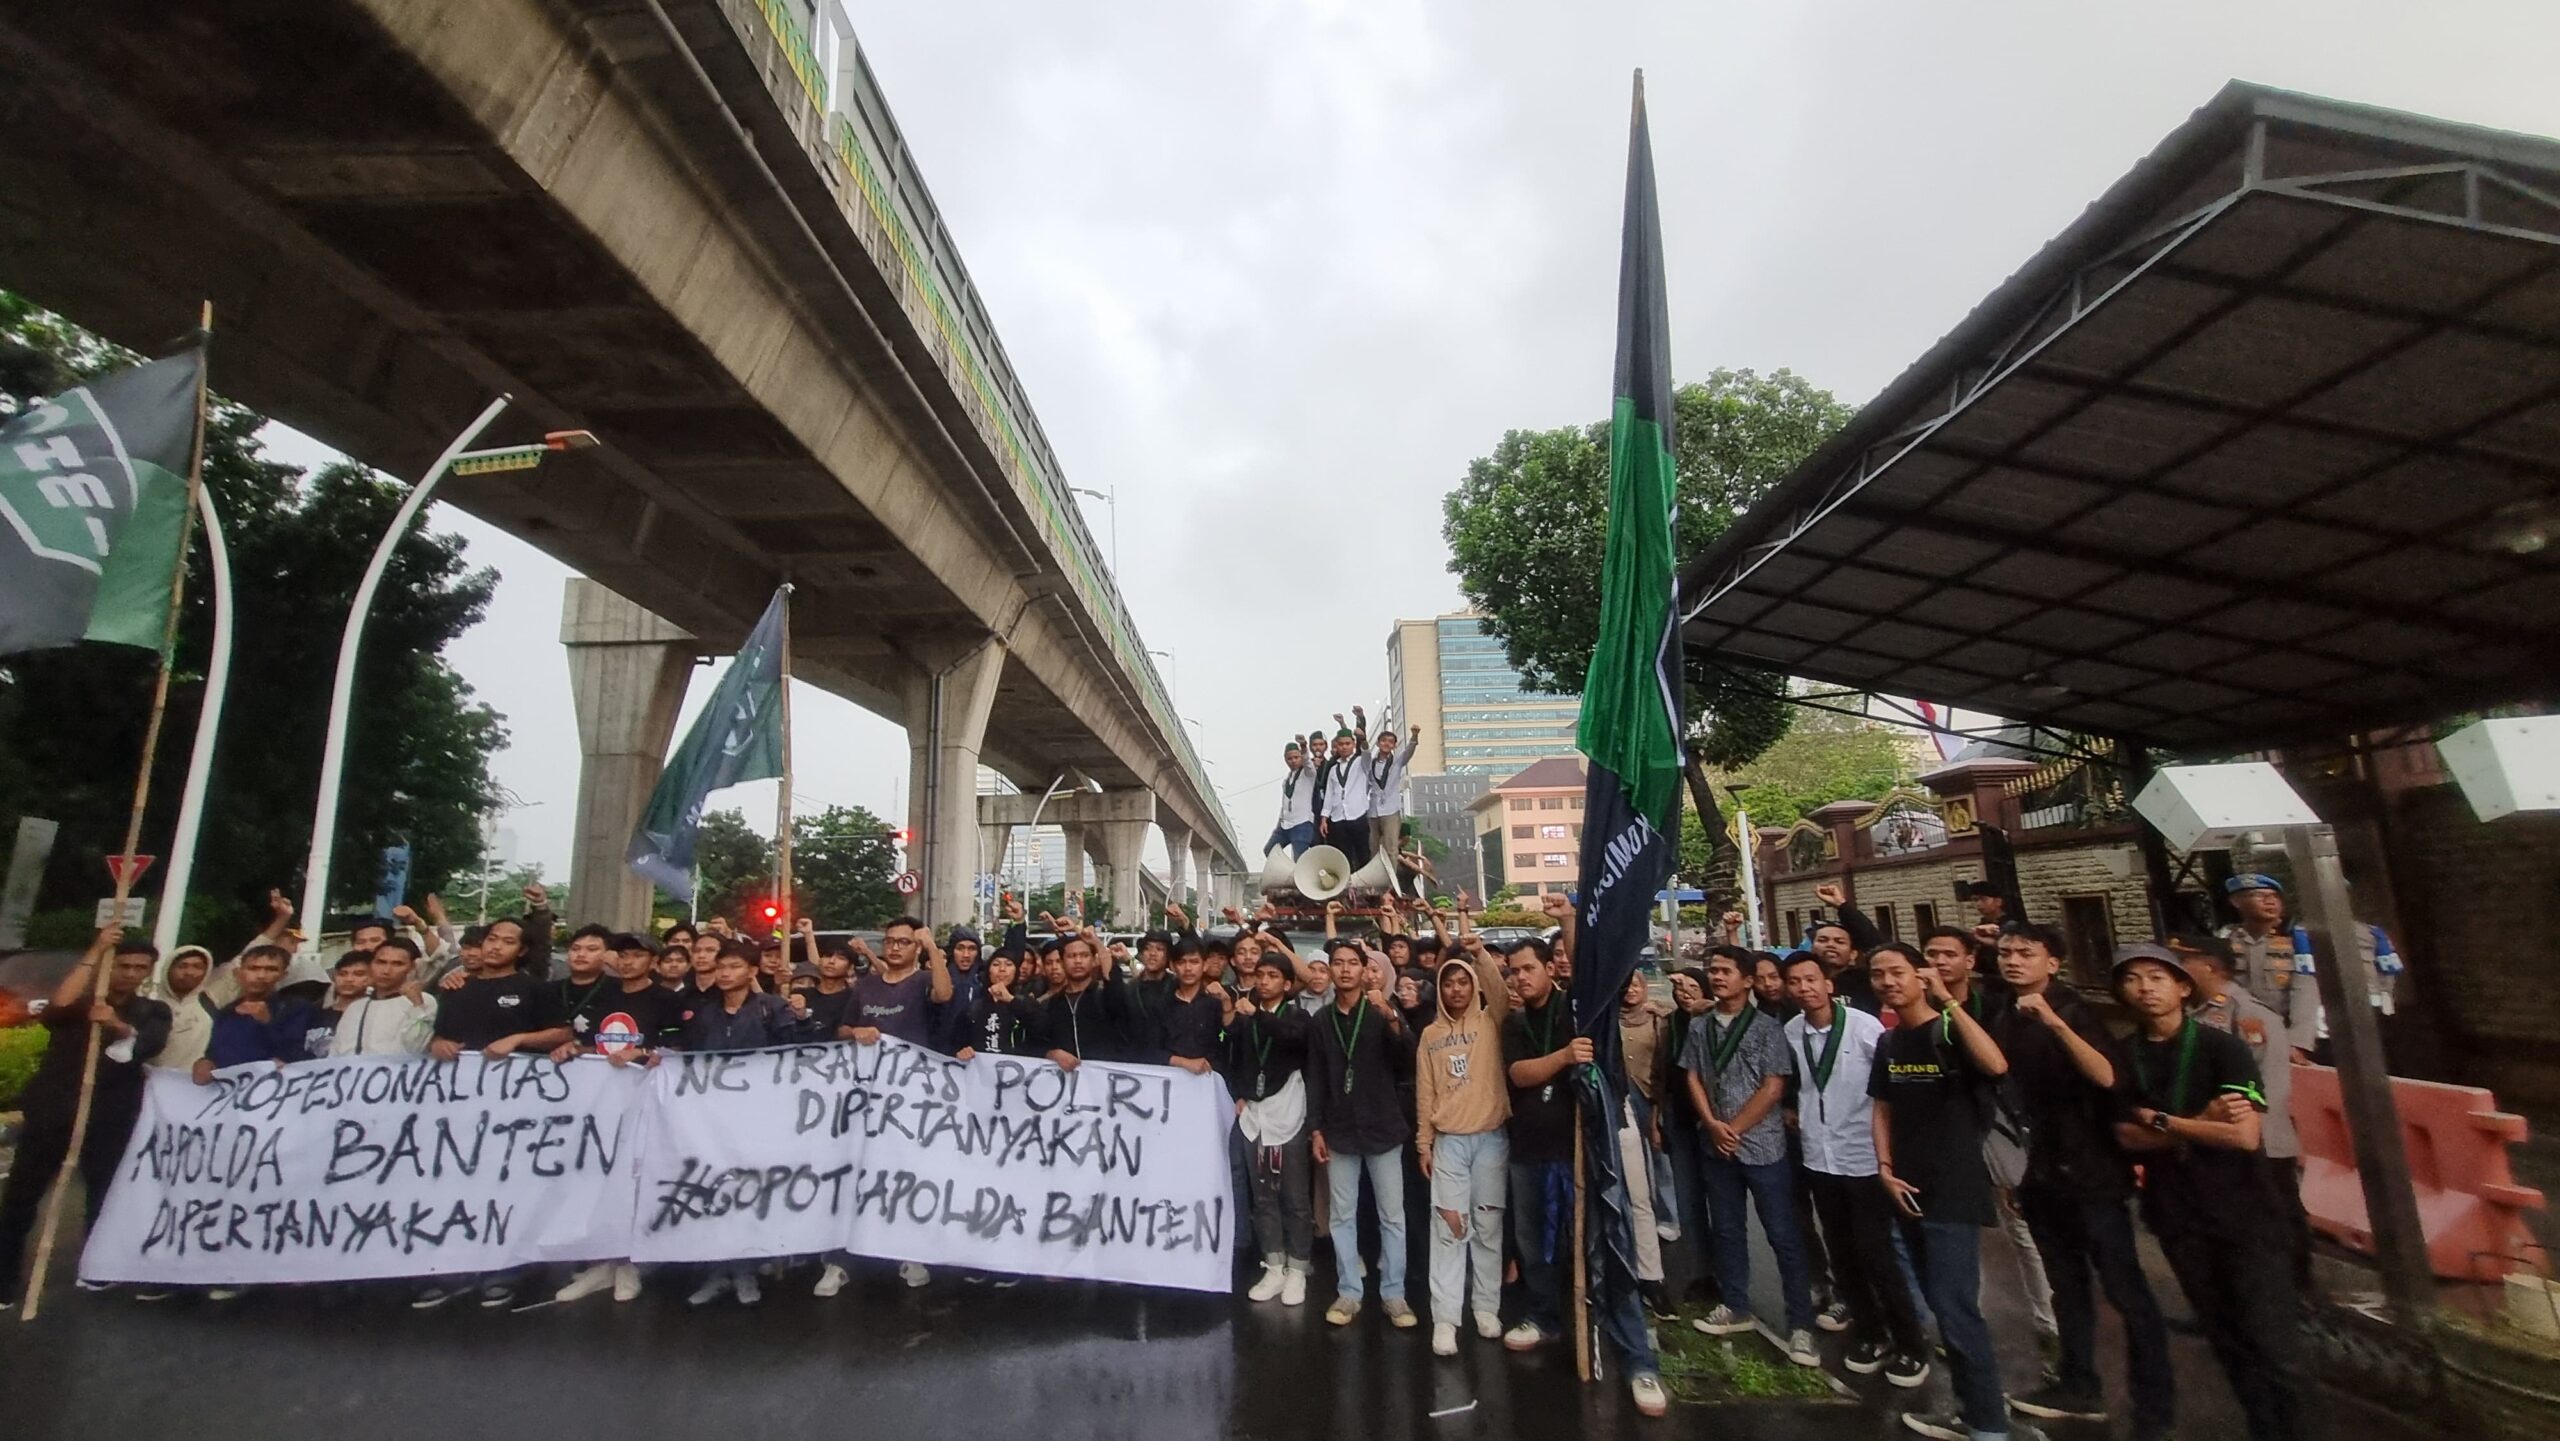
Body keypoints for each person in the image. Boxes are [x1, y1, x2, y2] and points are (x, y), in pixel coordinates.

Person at [2111, 943, 2315, 1441]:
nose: (2146, 988)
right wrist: (2199, 1122)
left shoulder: (2221, 1047)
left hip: (2246, 1212)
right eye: (2133, 978)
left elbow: (2243, 1135)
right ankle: (2262, 1427)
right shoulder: (2123, 1056)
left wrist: (2165, 1122)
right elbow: (2124, 1137)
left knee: (2272, 1342)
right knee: (2226, 1339)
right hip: (2178, 1214)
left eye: (2158, 977)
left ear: (2183, 987)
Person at [1990, 926, 2172, 1438]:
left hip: (2092, 1175)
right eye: (2005, 952)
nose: (2013, 961)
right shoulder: (2005, 1010)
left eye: (2026, 953)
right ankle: (2078, 1383)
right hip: (2041, 1172)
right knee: (2065, 1288)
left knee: (2125, 1290)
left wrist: (2055, 1023)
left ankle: (2154, 1408)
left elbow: (2107, 1077)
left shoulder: (2071, 1011)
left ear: (2054, 963)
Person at [1866, 941, 2043, 1441]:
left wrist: (1948, 1003)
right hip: (1906, 1186)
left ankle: (1988, 1422)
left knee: (1956, 1307)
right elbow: (1882, 1106)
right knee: (1943, 1306)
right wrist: (1883, 1165)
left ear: (1920, 977)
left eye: (1897, 971)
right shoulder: (1890, 1043)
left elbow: (1996, 1065)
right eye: (1878, 974)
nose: (1887, 981)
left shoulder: (1948, 1029)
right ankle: (1971, 1410)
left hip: (1953, 1189)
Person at [1503, 935, 1668, 1417]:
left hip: (1585, 1153)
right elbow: (1519, 1074)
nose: (1521, 977)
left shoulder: (1576, 1009)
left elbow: (1589, 959)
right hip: (1530, 1150)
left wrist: (1568, 921)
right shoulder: (1514, 1022)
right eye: (1514, 970)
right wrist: (1561, 1059)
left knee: (1608, 1252)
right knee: (1535, 1246)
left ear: (1549, 969)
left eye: (1528, 967)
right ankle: (1542, 1317)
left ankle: (1638, 1359)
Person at [1781, 953, 1930, 1389]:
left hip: (1863, 1157)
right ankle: (1870, 1332)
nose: (1804, 988)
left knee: (1877, 1254)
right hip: (1819, 1157)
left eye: (1811, 979)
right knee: (1842, 1254)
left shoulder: (1866, 1028)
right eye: (1795, 982)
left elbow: (1889, 1093)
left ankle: (1911, 1343)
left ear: (1829, 984)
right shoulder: (1792, 1032)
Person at [0, 929, 170, 1310]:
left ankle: (98, 1267)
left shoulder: (152, 1011)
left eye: (139, 968)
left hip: (109, 1115)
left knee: (104, 1194)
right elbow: (56, 1006)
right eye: (123, 965)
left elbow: (147, 1045)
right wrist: (97, 949)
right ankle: (4, 1277)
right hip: (52, 1109)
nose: (129, 973)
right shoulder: (82, 1002)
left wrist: (116, 1025)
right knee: (21, 1197)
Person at [416, 914, 572, 1311]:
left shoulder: (534, 989)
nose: (495, 946)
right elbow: (433, 1031)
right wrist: (436, 1042)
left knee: (505, 1187)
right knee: (451, 1186)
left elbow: (561, 1033)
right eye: (490, 938)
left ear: (521, 951)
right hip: (455, 1108)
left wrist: (518, 1038)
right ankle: (451, 1270)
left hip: (512, 1111)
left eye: (506, 941)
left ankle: (504, 1268)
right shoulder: (454, 987)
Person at [1920, 924, 2057, 1374]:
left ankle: (2049, 1322)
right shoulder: (1917, 1008)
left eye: (1948, 954)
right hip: (1946, 1132)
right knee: (1959, 1234)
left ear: (1970, 960)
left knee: (2022, 1229)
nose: (1939, 963)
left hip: (1997, 1129)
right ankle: (1963, 1325)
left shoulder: (1993, 1005)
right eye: (1931, 954)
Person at [1683, 949, 1820, 1366]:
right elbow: (1692, 1074)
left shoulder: (1766, 1029)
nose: (1718, 978)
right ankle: (1735, 1303)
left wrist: (1735, 1128)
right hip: (1715, 1144)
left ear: (1747, 981)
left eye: (1726, 972)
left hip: (1761, 1145)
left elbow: (1774, 1086)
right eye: (1714, 971)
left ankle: (1801, 1324)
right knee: (1726, 1228)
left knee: (1782, 1233)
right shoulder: (1699, 1026)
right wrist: (1710, 1123)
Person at [2171, 933, 2310, 1288]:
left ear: (2210, 966)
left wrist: (2247, 1129)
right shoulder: (2194, 1013)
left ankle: (2297, 1296)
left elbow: (2267, 1083)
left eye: (2183, 961)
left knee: (2278, 1217)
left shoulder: (2248, 1014)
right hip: (2218, 1139)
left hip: (2260, 1140)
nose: (2176, 969)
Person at [681, 942, 808, 1308]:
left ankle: (747, 1267)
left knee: (751, 1191)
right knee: (715, 1189)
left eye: (734, 967)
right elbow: (688, 1058)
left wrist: (800, 1020)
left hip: (760, 1117)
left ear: (752, 972)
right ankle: (717, 1269)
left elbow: (793, 1055)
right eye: (720, 967)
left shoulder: (772, 1008)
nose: (724, 974)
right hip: (712, 1119)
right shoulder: (705, 1014)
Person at [1306, 937, 1416, 1329]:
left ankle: (1394, 1294)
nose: (1346, 969)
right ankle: (1349, 1291)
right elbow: (1315, 1077)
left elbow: (1407, 1062)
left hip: (1383, 1127)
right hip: (1339, 1131)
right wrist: (1315, 1129)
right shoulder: (1321, 1021)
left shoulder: (1380, 1011)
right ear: (1331, 969)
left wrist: (1390, 1017)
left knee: (1392, 1217)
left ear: (1367, 969)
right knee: (1342, 1216)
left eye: (1354, 962)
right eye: (1339, 962)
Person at [1415, 929, 1511, 1355]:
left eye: (1464, 982)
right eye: (1448, 983)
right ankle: (1446, 1319)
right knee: (1450, 1229)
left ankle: (1486, 1308)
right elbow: (1425, 1092)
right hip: (1450, 1144)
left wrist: (1479, 956)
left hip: (1491, 1140)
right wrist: (1424, 1142)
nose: (1456, 990)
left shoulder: (1491, 1022)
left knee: (1488, 1229)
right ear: (1440, 988)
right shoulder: (1431, 1036)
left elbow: (1500, 993)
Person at [1230, 948, 1315, 1306]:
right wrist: (1240, 1093)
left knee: (1294, 1196)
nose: (1263, 981)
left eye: (1272, 976)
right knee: (1262, 1193)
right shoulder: (1243, 1015)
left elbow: (1292, 1040)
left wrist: (1256, 1018)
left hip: (1288, 1110)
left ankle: (1298, 1269)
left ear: (1287, 982)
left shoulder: (1297, 1015)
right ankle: (1274, 1265)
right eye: (1259, 975)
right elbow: (1236, 1058)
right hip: (1254, 1113)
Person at [1040, 929, 1151, 1067]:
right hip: (1067, 1084)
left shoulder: (1105, 997)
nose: (1078, 961)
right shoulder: (1052, 1004)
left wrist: (1097, 943)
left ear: (1094, 960)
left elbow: (1111, 976)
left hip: (1106, 1081)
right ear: (1062, 962)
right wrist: (1052, 1053)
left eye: (1084, 955)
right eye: (1071, 956)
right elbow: (1036, 1044)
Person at [842, 916, 953, 1050]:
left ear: (918, 947)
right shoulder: (865, 984)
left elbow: (944, 994)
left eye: (904, 942)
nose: (895, 947)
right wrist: (855, 1032)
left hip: (911, 1066)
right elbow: (843, 1029)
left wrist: (930, 945)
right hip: (869, 1065)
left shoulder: (925, 980)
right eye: (889, 941)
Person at [195, 946, 308, 1078]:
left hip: (269, 1090)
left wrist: (267, 1023)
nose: (261, 976)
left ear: (283, 975)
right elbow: (214, 1054)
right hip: (230, 1091)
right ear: (238, 973)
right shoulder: (227, 1011)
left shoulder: (296, 1008)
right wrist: (204, 1064)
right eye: (253, 968)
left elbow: (297, 1055)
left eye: (271, 969)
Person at [332, 938, 438, 1056]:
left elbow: (416, 1047)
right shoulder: (356, 1007)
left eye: (397, 964)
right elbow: (336, 1052)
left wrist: (417, 1006)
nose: (386, 971)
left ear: (412, 967)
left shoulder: (424, 1001)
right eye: (381, 962)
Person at [145, 943, 220, 1073]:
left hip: (190, 1086)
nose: (189, 972)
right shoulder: (149, 1001)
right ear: (168, 969)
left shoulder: (211, 1003)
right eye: (182, 966)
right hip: (149, 1081)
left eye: (197, 967)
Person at [1156, 939, 1226, 1074]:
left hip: (1209, 1080)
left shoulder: (1215, 1003)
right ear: (1172, 966)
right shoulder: (1161, 1003)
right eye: (1181, 962)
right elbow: (1150, 1049)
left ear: (1205, 965)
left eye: (1194, 962)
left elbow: (1227, 1041)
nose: (1188, 968)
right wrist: (1183, 1062)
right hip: (1169, 1080)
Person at [1363, 723, 1421, 875]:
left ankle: (1390, 882)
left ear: (1394, 746)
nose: (1386, 744)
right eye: (1383, 740)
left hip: (1390, 809)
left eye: (1390, 741)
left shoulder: (1397, 762)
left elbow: (1409, 751)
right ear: (1377, 743)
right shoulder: (1371, 763)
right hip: (1373, 810)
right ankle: (1375, 880)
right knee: (1373, 848)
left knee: (1391, 847)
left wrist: (1414, 736)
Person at [1317, 720, 1375, 872]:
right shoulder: (1333, 769)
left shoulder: (1360, 763)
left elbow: (1367, 755)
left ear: (1353, 744)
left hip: (1357, 814)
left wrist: (1363, 739)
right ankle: (1348, 889)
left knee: (1363, 853)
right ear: (1336, 746)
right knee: (1344, 855)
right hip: (1338, 817)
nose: (1344, 747)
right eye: (1341, 744)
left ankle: (1366, 887)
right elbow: (1329, 795)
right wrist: (1324, 818)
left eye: (1347, 743)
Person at [1271, 738, 1321, 858]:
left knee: (1299, 858)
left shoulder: (1308, 774)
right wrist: (1279, 823)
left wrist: (1303, 746)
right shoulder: (1286, 781)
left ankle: (1300, 875)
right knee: (1270, 850)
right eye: (1290, 758)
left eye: (1296, 757)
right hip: (1285, 824)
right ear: (1285, 760)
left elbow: (1308, 763)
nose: (1293, 761)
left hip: (1302, 823)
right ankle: (1286, 873)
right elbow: (1284, 804)